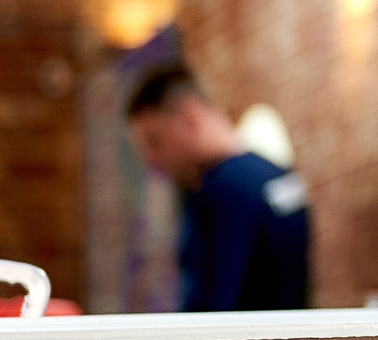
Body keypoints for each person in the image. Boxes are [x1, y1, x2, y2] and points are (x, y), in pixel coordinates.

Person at [125, 65, 311, 312]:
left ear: (190, 117)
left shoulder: (223, 191)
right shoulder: (276, 175)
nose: (150, 160)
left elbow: (216, 313)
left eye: (155, 141)